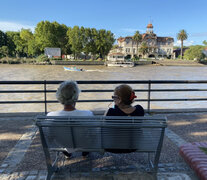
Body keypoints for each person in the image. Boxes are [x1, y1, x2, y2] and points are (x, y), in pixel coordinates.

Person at [47, 80, 93, 158]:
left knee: (61, 136)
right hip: (83, 144)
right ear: (76, 96)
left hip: (63, 144)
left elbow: (50, 136)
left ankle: (67, 153)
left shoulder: (51, 116)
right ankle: (85, 153)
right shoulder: (87, 114)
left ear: (59, 97)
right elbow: (93, 134)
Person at [105, 84, 144, 153]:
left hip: (112, 147)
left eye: (114, 97)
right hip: (133, 147)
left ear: (119, 99)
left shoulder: (111, 112)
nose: (113, 99)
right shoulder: (140, 110)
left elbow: (103, 126)